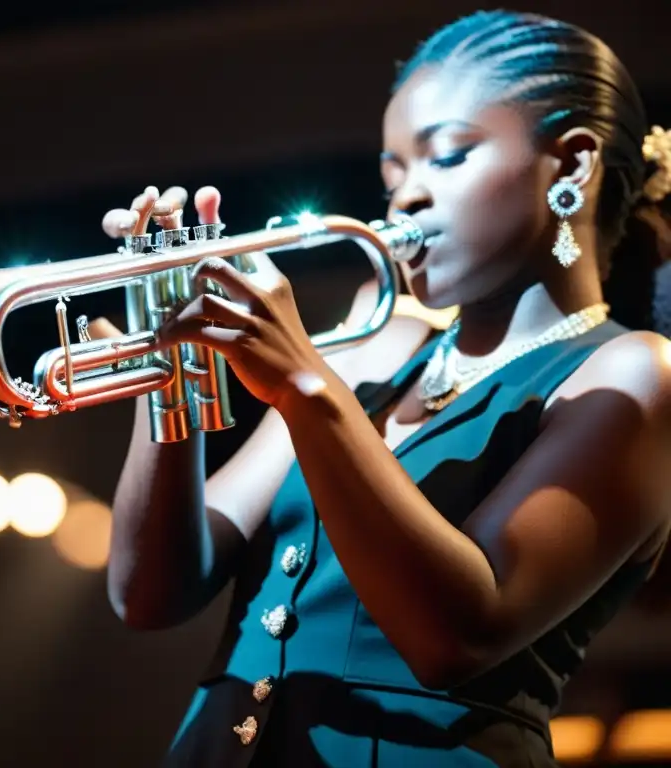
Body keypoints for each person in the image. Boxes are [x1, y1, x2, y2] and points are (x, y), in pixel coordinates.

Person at [95, 10, 671, 767]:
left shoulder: (631, 372)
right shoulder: (379, 345)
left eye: (449, 157)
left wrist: (305, 384)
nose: (405, 200)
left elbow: (458, 632)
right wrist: (168, 368)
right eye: (392, 175)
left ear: (569, 165)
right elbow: (151, 593)